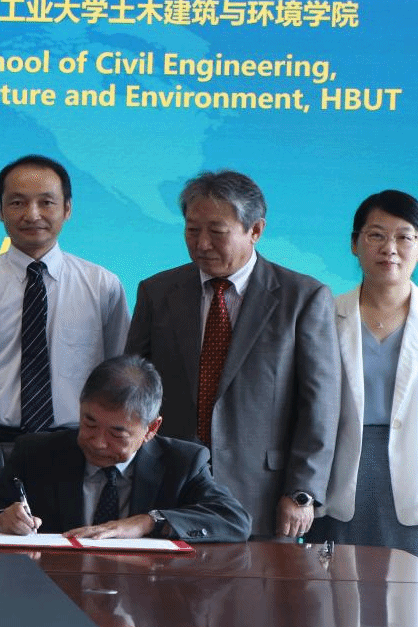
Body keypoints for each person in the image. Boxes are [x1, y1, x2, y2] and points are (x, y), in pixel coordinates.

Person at [125, 170, 337, 539]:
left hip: (263, 493)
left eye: (217, 232)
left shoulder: (302, 298)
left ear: (255, 230)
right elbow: (134, 388)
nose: (202, 244)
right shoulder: (157, 292)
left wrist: (302, 491)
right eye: (192, 230)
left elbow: (320, 405)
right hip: (168, 489)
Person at [0, 155, 129, 495]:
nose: (32, 214)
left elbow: (119, 370)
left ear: (67, 209)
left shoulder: (102, 285)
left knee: (77, 530)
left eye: (46, 202)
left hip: (79, 446)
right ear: (0, 210)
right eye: (17, 203)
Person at [0, 355, 251, 543]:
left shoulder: (181, 462)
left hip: (144, 601)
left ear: (151, 429)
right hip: (53, 595)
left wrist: (148, 522)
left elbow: (234, 520)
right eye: (89, 423)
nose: (97, 442)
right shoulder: (38, 453)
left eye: (117, 433)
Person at [310, 191, 418, 567]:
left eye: (404, 237)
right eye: (376, 235)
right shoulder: (324, 314)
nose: (390, 248)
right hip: (340, 473)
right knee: (337, 590)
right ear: (355, 244)